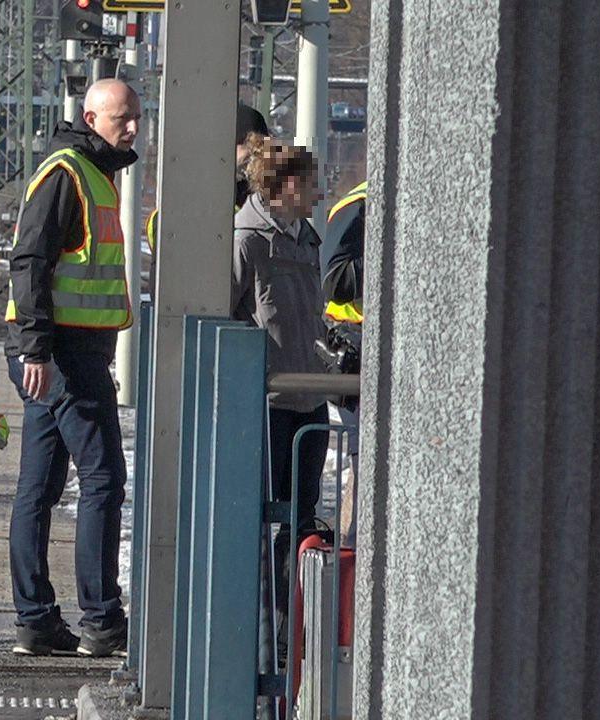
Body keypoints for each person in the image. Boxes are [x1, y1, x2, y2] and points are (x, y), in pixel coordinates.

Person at [3, 78, 138, 658]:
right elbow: (30, 258)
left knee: (39, 485)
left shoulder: (95, 173)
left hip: (66, 350)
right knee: (104, 476)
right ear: (90, 117)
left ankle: (36, 621)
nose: (132, 127)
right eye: (121, 119)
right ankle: (102, 619)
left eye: (136, 117)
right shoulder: (68, 172)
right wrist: (36, 349)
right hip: (61, 352)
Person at [229, 140, 328, 657]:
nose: (318, 191)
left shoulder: (306, 240)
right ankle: (256, 641)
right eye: (310, 181)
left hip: (310, 400)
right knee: (257, 519)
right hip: (266, 407)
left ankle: (288, 640)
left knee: (301, 521)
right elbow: (228, 317)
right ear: (285, 185)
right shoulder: (247, 240)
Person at [144, 104, 270, 254]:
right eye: (249, 144)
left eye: (262, 146)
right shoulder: (188, 210)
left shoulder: (263, 201)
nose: (256, 154)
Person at [321, 179, 367, 544]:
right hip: (356, 344)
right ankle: (353, 554)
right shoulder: (360, 203)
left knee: (364, 465)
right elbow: (334, 280)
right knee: (363, 462)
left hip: (366, 340)